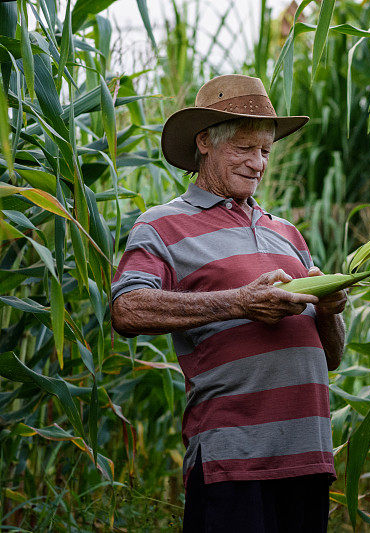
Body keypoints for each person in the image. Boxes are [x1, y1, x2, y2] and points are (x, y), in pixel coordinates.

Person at [110, 74, 345, 532]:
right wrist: (240, 302)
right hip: (231, 458)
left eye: (265, 151)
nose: (258, 163)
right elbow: (127, 309)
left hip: (308, 455)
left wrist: (331, 312)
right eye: (244, 148)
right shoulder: (162, 225)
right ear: (204, 143)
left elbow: (332, 357)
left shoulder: (288, 235)